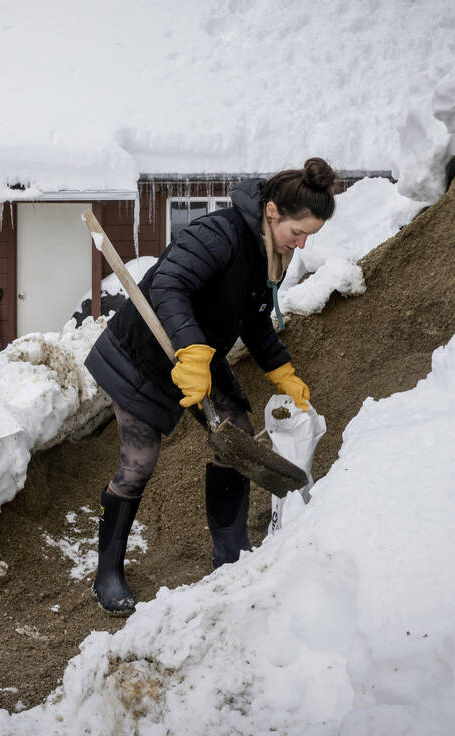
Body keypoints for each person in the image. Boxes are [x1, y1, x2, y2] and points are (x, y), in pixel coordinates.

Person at [83, 158, 337, 614]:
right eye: (298, 232)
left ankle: (230, 553)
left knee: (235, 432)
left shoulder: (268, 250)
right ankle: (108, 573)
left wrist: (283, 372)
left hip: (195, 350)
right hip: (141, 353)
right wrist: (192, 352)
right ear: (273, 210)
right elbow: (169, 286)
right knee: (138, 463)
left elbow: (254, 320)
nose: (301, 244)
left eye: (308, 237)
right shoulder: (217, 234)